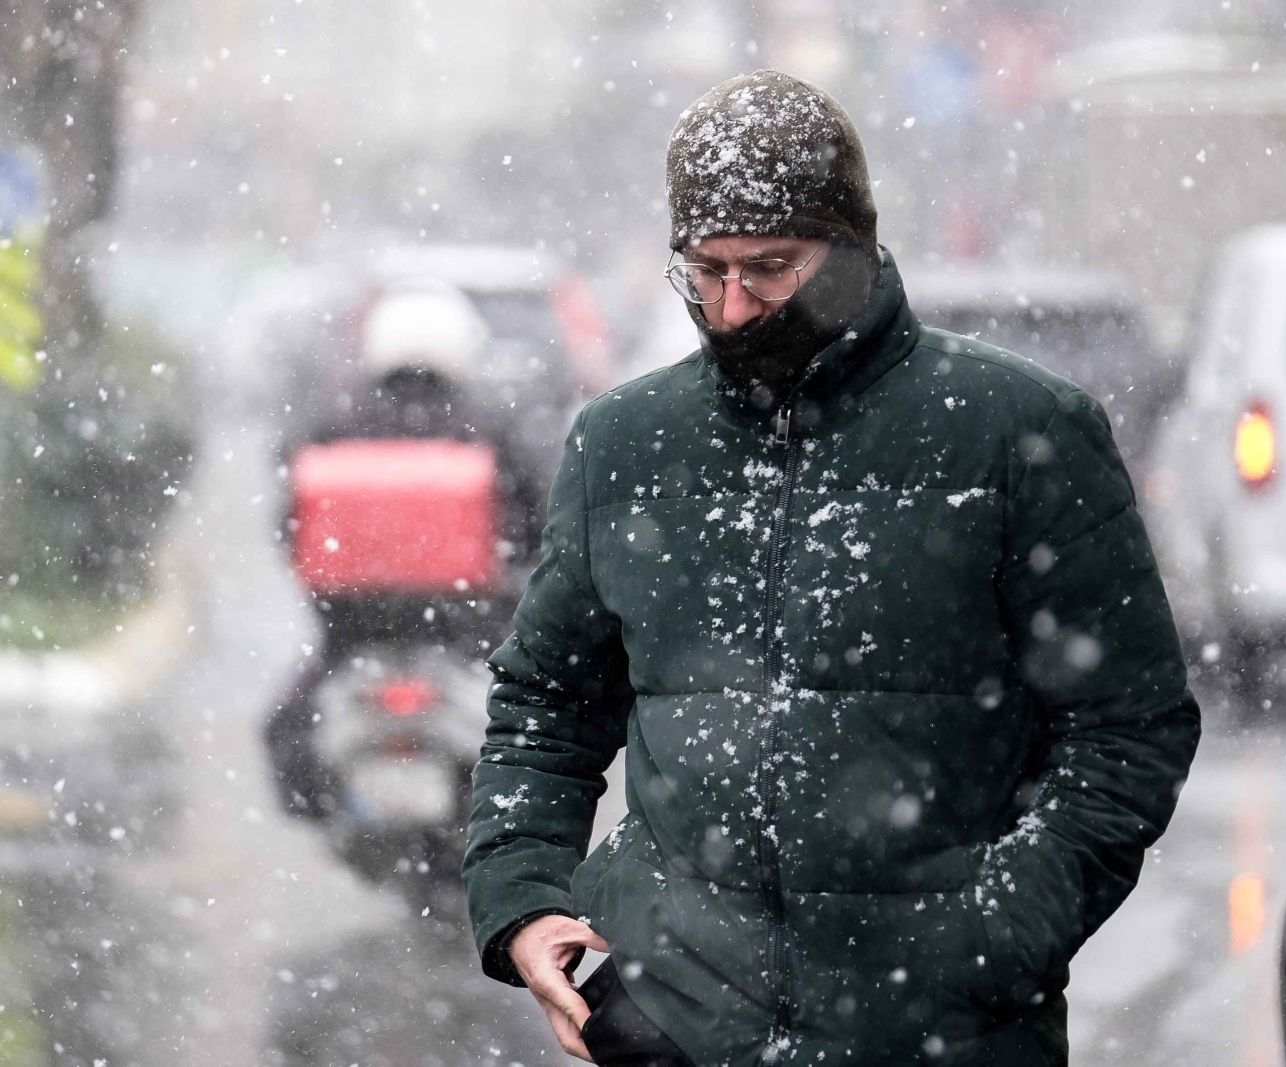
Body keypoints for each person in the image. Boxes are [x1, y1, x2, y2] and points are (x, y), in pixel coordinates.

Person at [462, 70, 1201, 1066]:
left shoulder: (1017, 431)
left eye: (770, 268)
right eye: (704, 270)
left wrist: (996, 931)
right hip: (669, 1022)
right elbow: (545, 702)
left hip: (941, 1031)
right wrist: (526, 900)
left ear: (852, 246)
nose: (730, 306)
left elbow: (1127, 726)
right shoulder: (623, 443)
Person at [264, 281, 546, 821]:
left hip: (353, 631)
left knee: (286, 728)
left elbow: (289, 527)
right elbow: (537, 522)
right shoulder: (491, 426)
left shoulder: (333, 425)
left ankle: (325, 814)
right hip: (467, 630)